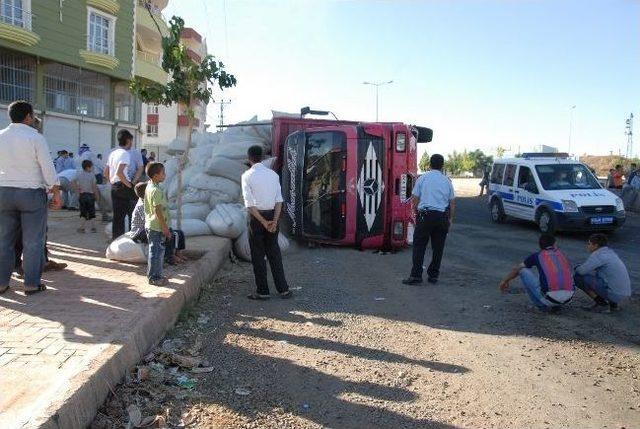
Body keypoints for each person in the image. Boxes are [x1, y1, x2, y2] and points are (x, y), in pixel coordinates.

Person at [0, 100, 60, 295]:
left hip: (4, 192)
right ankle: (31, 284)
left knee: (4, 240)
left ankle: (2, 282)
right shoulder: (35, 137)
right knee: (33, 241)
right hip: (31, 194)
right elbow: (47, 167)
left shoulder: (1, 136)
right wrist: (55, 190)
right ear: (28, 117)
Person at [241, 145, 292, 300]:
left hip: (257, 218)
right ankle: (283, 290)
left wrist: (263, 222)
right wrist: (274, 221)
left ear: (249, 159)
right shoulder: (273, 175)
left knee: (258, 255)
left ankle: (263, 291)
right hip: (272, 216)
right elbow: (279, 201)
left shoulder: (247, 176)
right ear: (263, 158)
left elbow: (249, 205)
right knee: (274, 253)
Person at [403, 154, 455, 285]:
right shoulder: (447, 181)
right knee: (438, 248)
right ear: (442, 165)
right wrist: (450, 220)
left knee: (419, 246)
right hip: (441, 217)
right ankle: (433, 276)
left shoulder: (423, 178)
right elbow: (452, 203)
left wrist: (415, 212)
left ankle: (416, 276)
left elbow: (414, 198)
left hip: (425, 216)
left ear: (430, 164)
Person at [499, 234, 575, 311]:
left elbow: (517, 268)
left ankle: (541, 306)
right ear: (554, 244)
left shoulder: (538, 255)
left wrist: (505, 280)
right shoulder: (561, 255)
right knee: (555, 275)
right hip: (568, 298)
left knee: (522, 270)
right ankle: (556, 306)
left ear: (540, 245)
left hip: (550, 299)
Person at [574, 234, 631, 313]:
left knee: (578, 278)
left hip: (614, 294)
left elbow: (581, 271)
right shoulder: (610, 253)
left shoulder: (599, 255)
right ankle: (613, 306)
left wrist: (576, 267)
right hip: (624, 294)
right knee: (599, 278)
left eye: (589, 243)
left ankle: (602, 304)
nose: (587, 246)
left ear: (596, 245)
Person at [144, 162, 171, 286]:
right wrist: (164, 227)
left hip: (153, 225)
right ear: (155, 176)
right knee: (156, 252)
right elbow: (157, 210)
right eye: (163, 173)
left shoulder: (151, 186)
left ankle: (157, 275)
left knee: (158, 251)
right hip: (156, 226)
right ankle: (154, 278)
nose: (165, 175)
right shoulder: (155, 191)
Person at [105, 130, 135, 240]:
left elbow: (105, 173)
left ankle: (117, 241)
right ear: (128, 140)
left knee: (118, 217)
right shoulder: (125, 154)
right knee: (134, 214)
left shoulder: (113, 153)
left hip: (114, 187)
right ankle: (133, 239)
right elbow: (120, 172)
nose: (132, 143)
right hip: (123, 186)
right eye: (131, 140)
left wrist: (113, 182)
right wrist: (130, 186)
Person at [75, 160, 99, 233]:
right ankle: (93, 227)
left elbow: (72, 181)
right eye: (91, 166)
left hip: (82, 195)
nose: (92, 168)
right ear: (88, 167)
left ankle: (82, 227)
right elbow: (94, 187)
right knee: (92, 212)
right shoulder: (92, 175)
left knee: (83, 212)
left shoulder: (79, 174)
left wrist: (77, 190)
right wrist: (97, 196)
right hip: (90, 195)